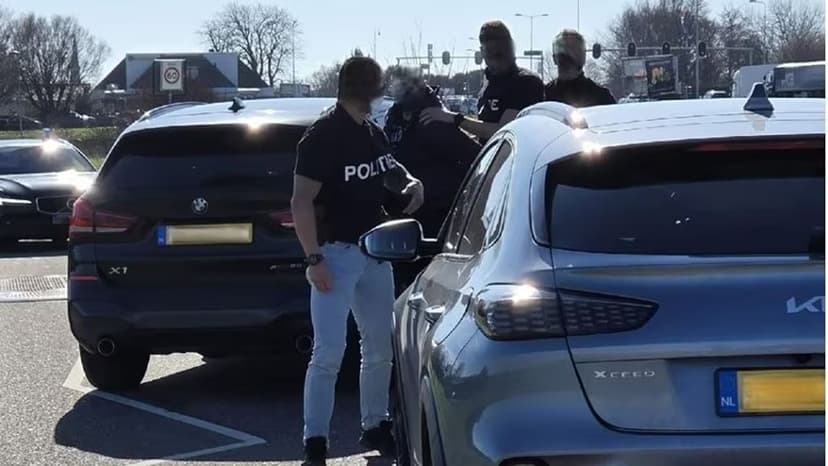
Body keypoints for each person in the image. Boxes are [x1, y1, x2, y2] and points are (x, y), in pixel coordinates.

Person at [291, 56, 425, 466]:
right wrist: (313, 259)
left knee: (379, 345)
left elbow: (387, 169)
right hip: (334, 254)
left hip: (374, 252)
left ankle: (375, 423)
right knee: (329, 352)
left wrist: (410, 182)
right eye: (376, 87)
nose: (381, 94)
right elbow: (300, 202)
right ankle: (315, 440)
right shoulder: (322, 136)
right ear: (363, 90)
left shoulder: (371, 131)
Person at [384, 72, 481, 293]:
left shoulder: (433, 120)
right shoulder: (394, 120)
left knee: (430, 288)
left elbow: (474, 157)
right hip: (400, 217)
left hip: (436, 218)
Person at [420, 20, 545, 142]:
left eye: (500, 54)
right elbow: (484, 133)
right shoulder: (488, 82)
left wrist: (455, 118)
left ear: (511, 49)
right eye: (491, 54)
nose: (496, 61)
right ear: (482, 52)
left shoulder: (526, 82)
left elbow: (504, 132)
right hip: (491, 153)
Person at [545, 29, 616, 107]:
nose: (570, 54)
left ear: (584, 56)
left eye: (575, 50)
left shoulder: (602, 97)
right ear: (554, 58)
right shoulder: (543, 96)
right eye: (564, 51)